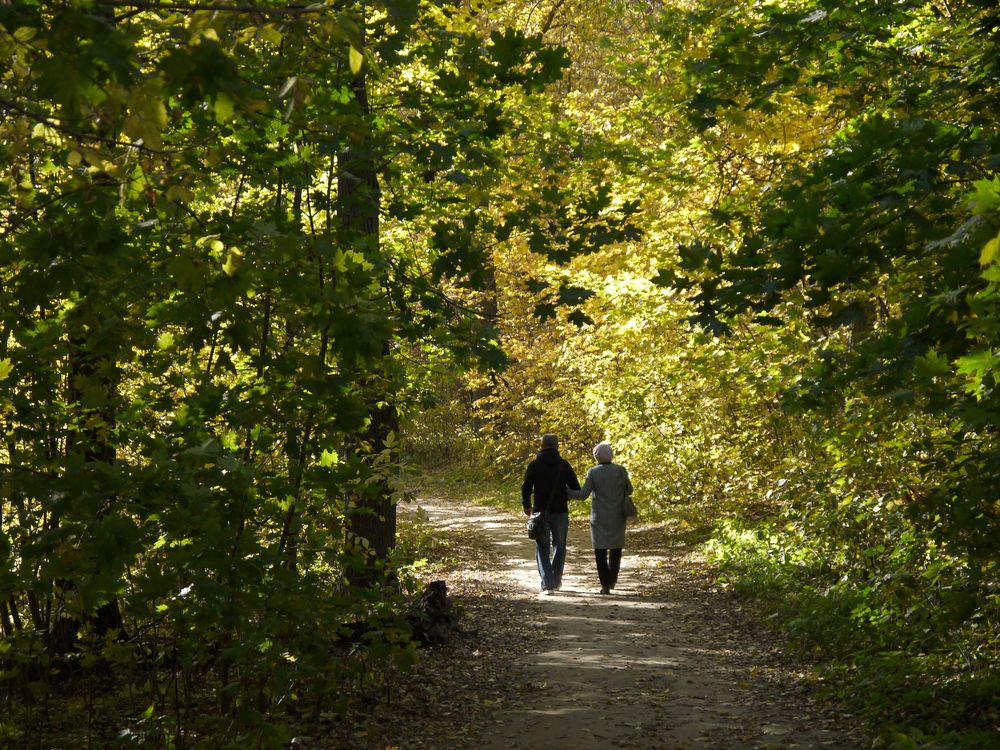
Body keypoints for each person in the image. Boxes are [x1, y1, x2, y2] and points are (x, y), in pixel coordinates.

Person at [567, 441, 634, 595]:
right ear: (611, 454)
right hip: (618, 516)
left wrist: (567, 492)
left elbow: (583, 495)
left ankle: (605, 584)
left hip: (599, 518)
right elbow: (630, 490)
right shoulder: (621, 470)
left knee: (600, 551)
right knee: (616, 549)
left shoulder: (593, 472)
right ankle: (613, 580)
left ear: (596, 456)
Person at [521, 433, 580, 594]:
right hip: (561, 511)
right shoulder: (564, 465)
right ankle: (556, 580)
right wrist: (564, 493)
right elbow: (576, 487)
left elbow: (526, 487)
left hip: (540, 511)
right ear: (557, 446)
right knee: (559, 546)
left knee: (542, 547)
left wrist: (527, 506)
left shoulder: (534, 465)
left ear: (541, 446)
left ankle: (548, 584)